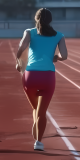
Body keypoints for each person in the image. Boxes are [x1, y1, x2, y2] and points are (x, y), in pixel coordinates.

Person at [15, 8, 67, 151]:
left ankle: (36, 124)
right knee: (41, 111)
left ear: (36, 19)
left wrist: (18, 61)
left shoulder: (29, 32)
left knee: (36, 108)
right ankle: (38, 142)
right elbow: (65, 56)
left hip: (30, 75)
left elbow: (21, 48)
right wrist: (55, 57)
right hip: (48, 76)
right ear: (50, 20)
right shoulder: (59, 35)